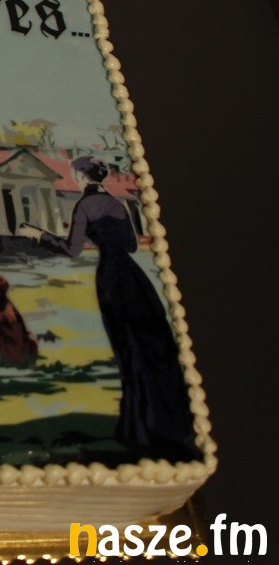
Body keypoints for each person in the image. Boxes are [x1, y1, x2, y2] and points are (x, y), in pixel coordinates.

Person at [20, 155, 198, 461]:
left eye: (74, 174)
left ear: (80, 176)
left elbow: (71, 250)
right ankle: (164, 420)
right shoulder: (116, 203)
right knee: (148, 342)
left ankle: (140, 426)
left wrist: (38, 235)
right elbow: (131, 245)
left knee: (126, 346)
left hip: (111, 280)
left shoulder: (84, 205)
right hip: (135, 278)